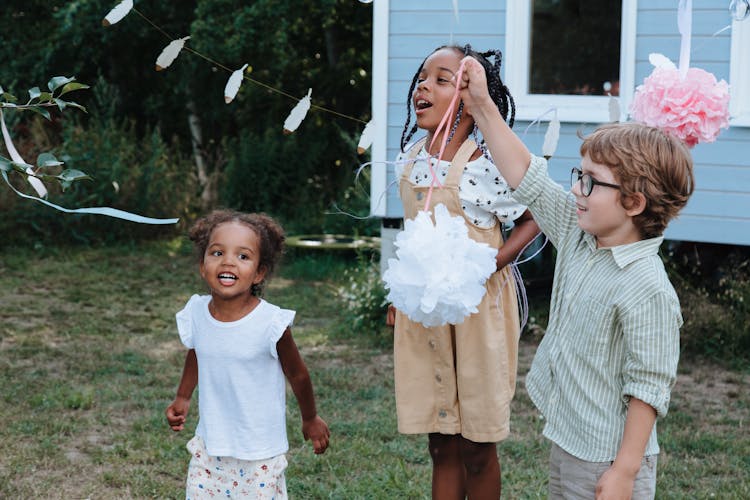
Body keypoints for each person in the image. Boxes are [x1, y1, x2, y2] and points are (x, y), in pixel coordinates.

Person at [459, 56, 694, 499]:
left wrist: (624, 472)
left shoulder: (647, 286)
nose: (575, 189)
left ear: (634, 203)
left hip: (610, 458)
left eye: (591, 182)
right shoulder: (577, 231)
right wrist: (483, 106)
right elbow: (528, 178)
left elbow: (648, 387)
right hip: (569, 442)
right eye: (578, 176)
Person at [390, 44, 540, 499]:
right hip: (427, 316)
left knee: (476, 445)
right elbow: (411, 237)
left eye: (441, 79)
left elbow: (538, 216)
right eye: (421, 77)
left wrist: (493, 262)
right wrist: (400, 298)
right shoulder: (410, 158)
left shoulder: (486, 164)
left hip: (479, 315)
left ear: (473, 96)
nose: (423, 86)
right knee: (440, 442)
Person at [165, 210, 330, 499]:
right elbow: (197, 351)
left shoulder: (271, 324)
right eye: (217, 252)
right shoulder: (196, 313)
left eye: (243, 256)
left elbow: (298, 374)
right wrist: (183, 396)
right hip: (210, 446)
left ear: (259, 272)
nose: (228, 261)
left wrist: (310, 417)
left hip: (259, 453)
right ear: (203, 266)